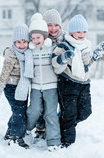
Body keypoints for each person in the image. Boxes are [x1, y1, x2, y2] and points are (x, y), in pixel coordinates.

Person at [51, 14, 104, 148]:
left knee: (85, 112)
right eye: (78, 31)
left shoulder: (86, 45)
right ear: (71, 32)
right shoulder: (64, 45)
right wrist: (63, 58)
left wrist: (95, 55)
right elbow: (54, 61)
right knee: (70, 113)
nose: (82, 34)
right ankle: (67, 142)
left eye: (84, 31)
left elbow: (86, 64)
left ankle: (64, 123)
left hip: (84, 84)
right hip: (67, 83)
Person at [0, 23, 34, 149]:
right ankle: (16, 137)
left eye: (24, 41)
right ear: (14, 42)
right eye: (18, 42)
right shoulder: (11, 55)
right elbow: (3, 75)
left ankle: (10, 131)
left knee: (19, 111)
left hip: (23, 87)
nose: (21, 45)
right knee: (19, 112)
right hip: (11, 87)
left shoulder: (29, 54)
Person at [26, 13, 61, 152]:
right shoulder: (30, 51)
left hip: (51, 86)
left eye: (38, 37)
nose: (36, 40)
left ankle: (53, 141)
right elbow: (18, 50)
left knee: (50, 113)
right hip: (35, 86)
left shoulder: (52, 47)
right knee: (33, 110)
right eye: (33, 38)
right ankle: (27, 131)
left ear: (44, 36)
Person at [33, 8, 66, 141]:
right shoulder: (39, 39)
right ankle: (41, 127)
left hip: (63, 78)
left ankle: (57, 127)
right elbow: (22, 43)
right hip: (44, 79)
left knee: (55, 109)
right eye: (49, 25)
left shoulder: (66, 38)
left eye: (56, 25)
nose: (53, 29)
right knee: (40, 106)